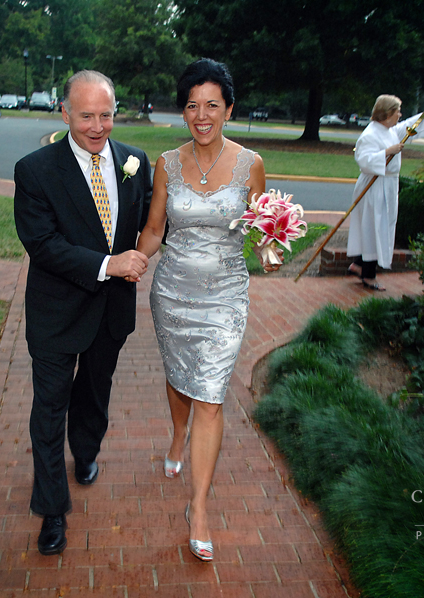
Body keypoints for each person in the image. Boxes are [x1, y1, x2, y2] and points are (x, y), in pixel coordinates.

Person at [135, 58, 271, 562]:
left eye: (212, 104)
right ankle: (177, 435)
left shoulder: (250, 163)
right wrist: (133, 260)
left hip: (226, 296)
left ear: (229, 109)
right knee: (179, 377)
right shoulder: (167, 163)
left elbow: (260, 229)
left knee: (210, 394)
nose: (201, 114)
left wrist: (271, 250)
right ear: (183, 112)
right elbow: (154, 229)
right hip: (172, 292)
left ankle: (199, 505)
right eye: (191, 105)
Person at [13, 70, 153, 556]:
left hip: (111, 313)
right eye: (87, 115)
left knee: (95, 393)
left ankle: (87, 452)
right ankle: (52, 508)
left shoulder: (136, 161)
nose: (97, 126)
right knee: (48, 411)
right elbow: (42, 244)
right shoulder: (35, 170)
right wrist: (107, 264)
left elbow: (155, 219)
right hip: (56, 312)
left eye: (106, 114)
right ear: (65, 112)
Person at [346, 94, 424, 290]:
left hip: (386, 184)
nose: (400, 114)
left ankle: (359, 265)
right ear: (387, 113)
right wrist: (387, 152)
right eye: (397, 111)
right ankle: (368, 275)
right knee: (373, 228)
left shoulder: (387, 130)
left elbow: (404, 128)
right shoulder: (370, 134)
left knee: (376, 227)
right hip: (374, 186)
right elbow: (364, 160)